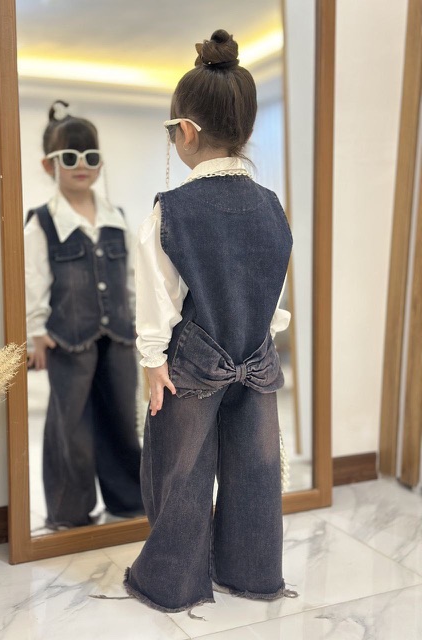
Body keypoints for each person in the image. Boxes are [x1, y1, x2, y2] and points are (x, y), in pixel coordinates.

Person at [123, 30, 296, 612]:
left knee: (181, 472)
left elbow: (158, 298)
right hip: (257, 358)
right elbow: (272, 290)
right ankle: (253, 572)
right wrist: (262, 338)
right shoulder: (272, 206)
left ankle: (172, 582)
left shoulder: (171, 211)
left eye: (172, 130)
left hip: (192, 367)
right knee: (257, 470)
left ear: (188, 131)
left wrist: (153, 361)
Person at [24, 100, 144, 529]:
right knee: (69, 424)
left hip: (120, 336)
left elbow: (131, 279)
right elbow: (33, 280)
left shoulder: (117, 219)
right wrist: (35, 330)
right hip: (67, 339)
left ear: (100, 164)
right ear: (49, 164)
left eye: (91, 157)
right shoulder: (41, 223)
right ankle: (69, 510)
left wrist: (140, 325)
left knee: (122, 418)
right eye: (69, 157)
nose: (81, 166)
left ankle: (129, 499)